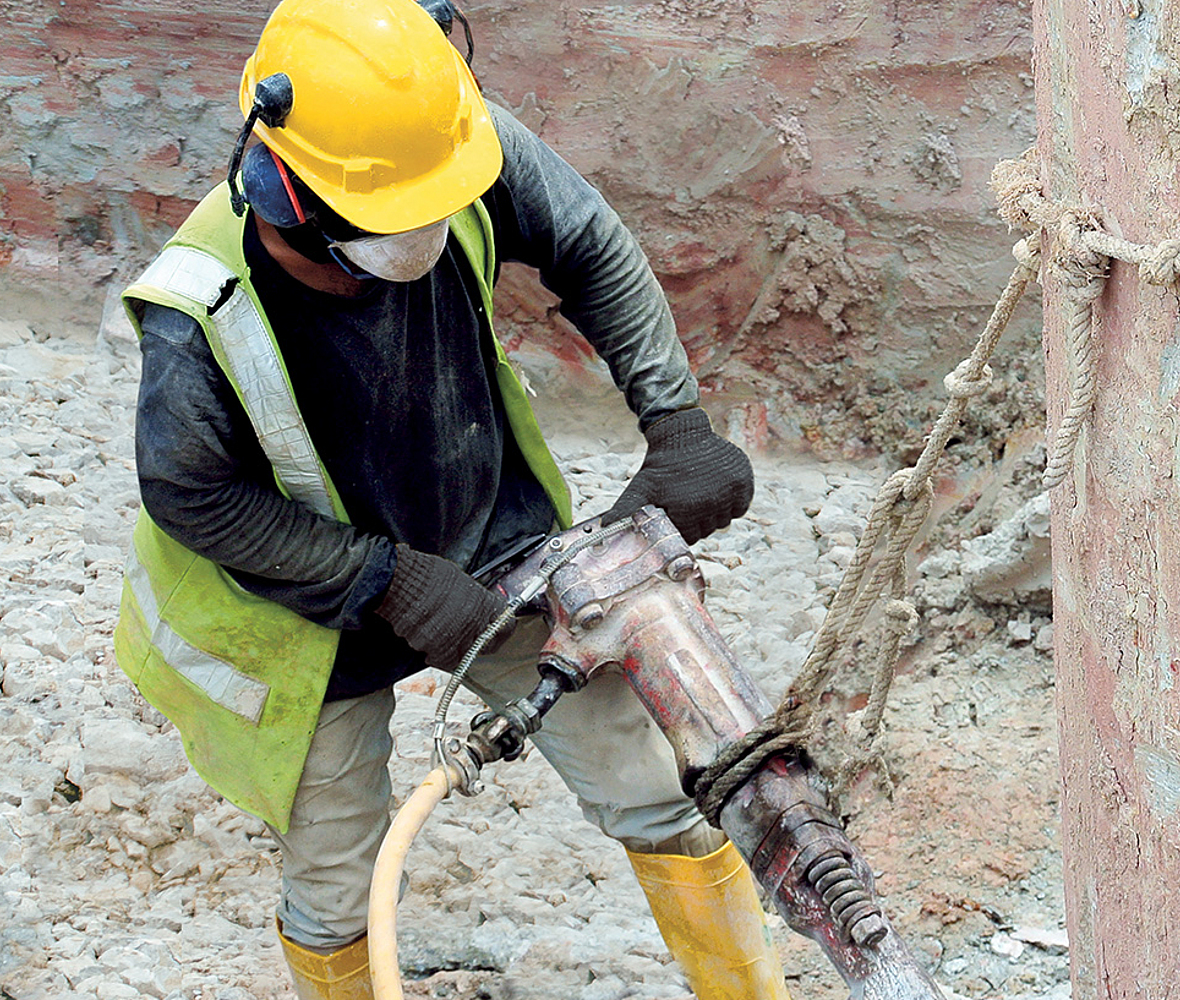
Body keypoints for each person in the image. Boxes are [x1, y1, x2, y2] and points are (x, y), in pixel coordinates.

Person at [110, 0, 777, 996]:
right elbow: (193, 496)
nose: (426, 229)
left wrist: (674, 421)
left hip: (487, 542)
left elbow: (591, 244)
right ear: (281, 187)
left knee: (655, 790)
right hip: (300, 612)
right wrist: (382, 579)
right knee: (338, 884)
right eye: (394, 224)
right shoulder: (200, 313)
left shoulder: (439, 150)